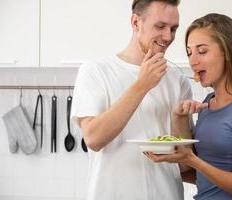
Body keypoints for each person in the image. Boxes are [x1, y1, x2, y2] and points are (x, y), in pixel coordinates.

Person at [147, 13, 232, 200]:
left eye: (202, 51)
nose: (193, 61)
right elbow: (194, 171)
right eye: (189, 52)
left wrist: (191, 160)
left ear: (228, 52)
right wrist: (178, 118)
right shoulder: (207, 103)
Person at [71, 1, 193, 200]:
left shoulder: (178, 81)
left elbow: (185, 164)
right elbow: (93, 139)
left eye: (173, 29)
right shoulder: (96, 71)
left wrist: (179, 120)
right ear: (135, 22)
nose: (168, 37)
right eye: (160, 26)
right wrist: (142, 85)